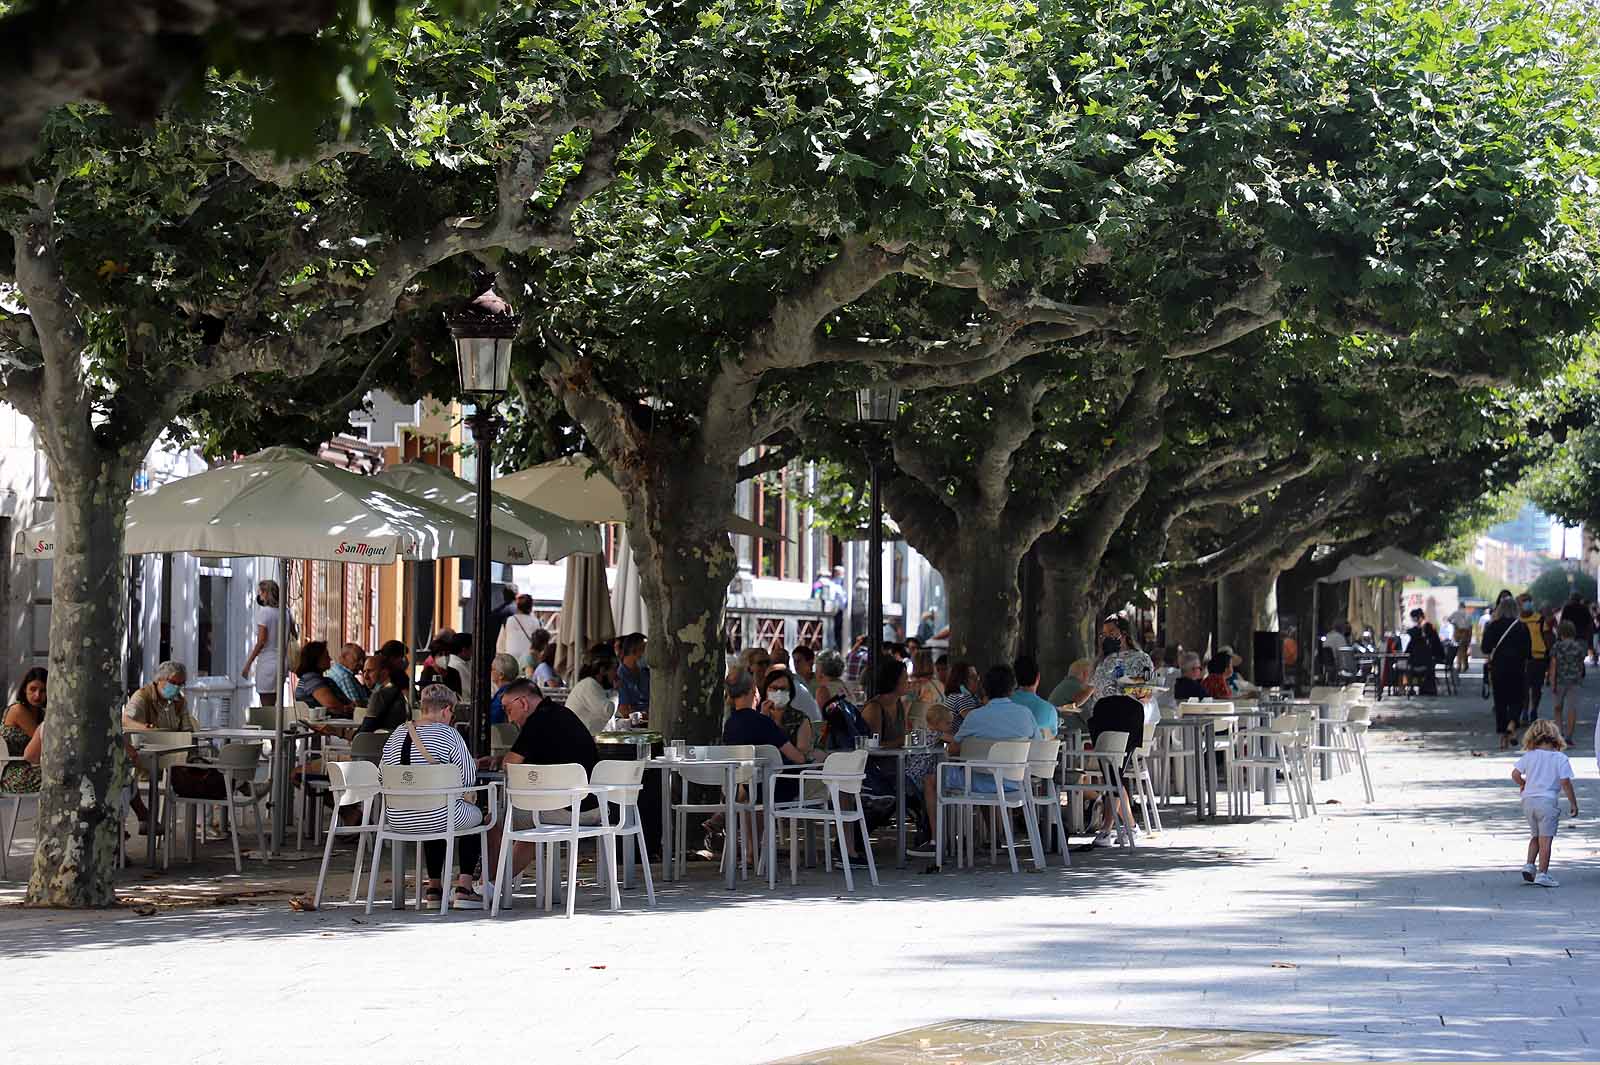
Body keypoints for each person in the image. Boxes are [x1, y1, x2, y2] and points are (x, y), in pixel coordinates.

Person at [479, 678, 599, 896]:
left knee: (493, 821)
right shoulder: (562, 714)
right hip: (593, 806)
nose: (509, 717)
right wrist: (499, 758)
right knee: (529, 819)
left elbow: (511, 766)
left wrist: (501, 760)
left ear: (523, 703)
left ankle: (487, 885)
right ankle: (492, 887)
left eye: (508, 709)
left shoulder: (537, 721)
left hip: (567, 810)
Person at [379, 684, 484, 908]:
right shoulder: (450, 735)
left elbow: (382, 775)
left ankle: (434, 888)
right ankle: (464, 888)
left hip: (397, 818)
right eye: (452, 713)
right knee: (471, 815)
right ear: (447, 710)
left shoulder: (398, 732)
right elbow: (467, 778)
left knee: (435, 808)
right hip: (439, 816)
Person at [924, 665, 1038, 844]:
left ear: (984, 688)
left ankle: (937, 839)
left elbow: (953, 750)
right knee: (985, 771)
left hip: (978, 782)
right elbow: (1036, 747)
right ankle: (996, 836)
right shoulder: (1025, 714)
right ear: (1011, 688)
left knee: (931, 779)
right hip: (1016, 782)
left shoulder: (975, 717)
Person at [1511, 720, 1577, 888]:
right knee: (1545, 840)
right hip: (1547, 802)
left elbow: (1515, 774)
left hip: (1528, 802)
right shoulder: (1560, 758)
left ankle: (1529, 865)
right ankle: (1543, 874)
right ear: (1555, 737)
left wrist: (1523, 784)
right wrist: (1573, 803)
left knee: (1535, 836)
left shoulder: (1529, 755)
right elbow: (1565, 782)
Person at [1482, 598, 1532, 748]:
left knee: (1501, 701)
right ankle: (1512, 724)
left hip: (1498, 669)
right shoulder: (1522, 627)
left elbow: (1485, 648)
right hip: (1517, 669)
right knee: (1517, 699)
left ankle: (1503, 736)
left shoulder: (1492, 626)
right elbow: (1528, 652)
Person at [240, 578, 289, 706]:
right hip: (282, 662)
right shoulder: (286, 612)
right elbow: (292, 634)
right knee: (276, 707)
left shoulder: (265, 613)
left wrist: (248, 664)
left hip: (267, 663)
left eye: (261, 593)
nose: (259, 596)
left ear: (266, 594)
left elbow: (261, 641)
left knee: (267, 707)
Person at [1, 667, 46, 794]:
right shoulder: (18, 710)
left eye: (43, 691)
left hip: (29, 767)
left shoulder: (40, 713)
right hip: (10, 773)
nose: (37, 695)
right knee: (59, 777)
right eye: (33, 689)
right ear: (24, 689)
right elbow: (45, 743)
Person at [124, 660, 198, 732]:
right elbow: (125, 720)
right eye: (173, 682)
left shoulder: (180, 701)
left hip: (172, 743)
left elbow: (187, 729)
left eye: (180, 684)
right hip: (147, 741)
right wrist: (145, 728)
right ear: (159, 679)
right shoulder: (142, 696)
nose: (176, 687)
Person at [1089, 629, 1156, 708]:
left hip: (1126, 713)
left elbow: (1147, 692)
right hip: (1103, 713)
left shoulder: (1141, 659)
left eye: (1113, 635)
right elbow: (1090, 688)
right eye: (1104, 635)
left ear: (1125, 637)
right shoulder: (1100, 663)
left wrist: (1140, 694)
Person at [760, 666, 813, 758]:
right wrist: (763, 719)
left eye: (783, 689)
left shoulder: (800, 719)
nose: (779, 692)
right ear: (766, 690)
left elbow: (802, 755)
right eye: (774, 688)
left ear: (790, 692)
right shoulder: (757, 716)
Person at [360, 640, 412, 733]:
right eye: (402, 656)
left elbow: (365, 731)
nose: (404, 660)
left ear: (384, 672)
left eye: (370, 671)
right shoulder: (392, 686)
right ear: (393, 658)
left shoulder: (381, 694)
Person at [293, 641, 355, 716]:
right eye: (326, 656)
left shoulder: (326, 680)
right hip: (324, 725)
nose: (330, 659)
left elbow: (348, 702)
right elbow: (332, 705)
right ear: (316, 659)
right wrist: (347, 708)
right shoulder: (310, 679)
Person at [1548, 620, 1586, 745]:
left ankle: (1559, 734)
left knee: (1557, 708)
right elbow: (1581, 664)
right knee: (1572, 708)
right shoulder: (1578, 646)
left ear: (1560, 632)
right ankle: (1569, 736)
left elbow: (1553, 665)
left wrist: (1551, 682)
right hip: (1574, 681)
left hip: (1559, 680)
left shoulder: (1557, 646)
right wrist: (1579, 677)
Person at [566, 646, 617, 733]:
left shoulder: (596, 686)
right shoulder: (589, 684)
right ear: (602, 670)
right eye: (614, 669)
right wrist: (615, 692)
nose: (616, 673)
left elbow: (605, 721)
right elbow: (608, 711)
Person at [1009, 655, 1059, 738]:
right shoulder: (1049, 710)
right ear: (1038, 677)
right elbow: (1051, 740)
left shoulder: (1005, 704)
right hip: (1038, 750)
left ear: (1015, 678)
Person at [1519, 596, 1550, 725]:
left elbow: (1548, 638)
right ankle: (1525, 711)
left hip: (1539, 658)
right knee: (1524, 687)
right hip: (1522, 659)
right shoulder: (1517, 621)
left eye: (1529, 601)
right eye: (1524, 602)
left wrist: (1550, 657)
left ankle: (1534, 710)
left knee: (1536, 687)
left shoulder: (1540, 620)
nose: (1527, 604)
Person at [615, 632, 650, 721]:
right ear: (633, 651)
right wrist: (646, 714)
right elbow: (625, 711)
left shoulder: (646, 673)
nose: (648, 654)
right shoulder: (619, 675)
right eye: (644, 650)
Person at [906, 650, 944, 730]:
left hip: (918, 728)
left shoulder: (915, 685)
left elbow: (905, 710)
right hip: (935, 729)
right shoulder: (939, 684)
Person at [497, 593, 541, 660]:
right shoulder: (537, 622)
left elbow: (500, 646)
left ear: (517, 607)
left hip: (511, 660)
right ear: (531, 607)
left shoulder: (508, 621)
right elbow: (540, 645)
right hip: (528, 661)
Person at [940, 660, 982, 729]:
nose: (977, 680)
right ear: (961, 680)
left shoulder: (970, 696)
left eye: (977, 676)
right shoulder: (961, 697)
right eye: (972, 677)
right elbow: (977, 722)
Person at [788, 644, 822, 723]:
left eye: (799, 661)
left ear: (810, 662)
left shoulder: (819, 682)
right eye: (794, 661)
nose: (796, 665)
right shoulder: (791, 681)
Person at [485, 584, 519, 657]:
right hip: (513, 649)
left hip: (497, 649)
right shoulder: (520, 613)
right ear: (517, 595)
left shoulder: (496, 612)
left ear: (504, 595)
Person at [488, 653, 521, 725]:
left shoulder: (503, 695)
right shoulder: (519, 689)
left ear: (501, 675)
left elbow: (493, 720)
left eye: (492, 669)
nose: (490, 672)